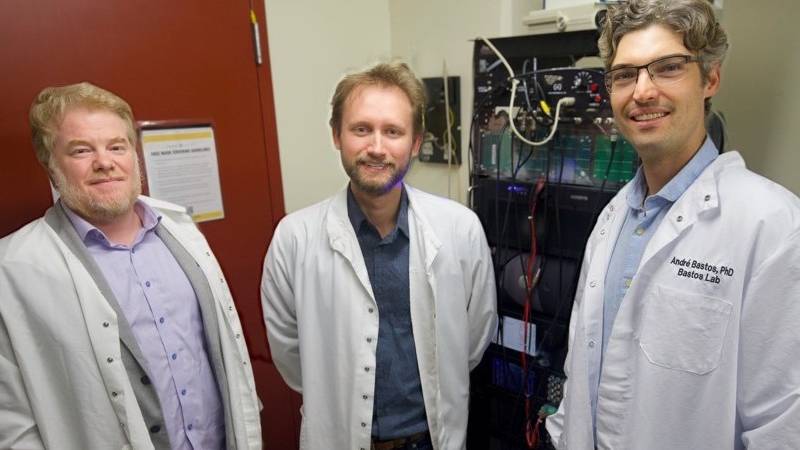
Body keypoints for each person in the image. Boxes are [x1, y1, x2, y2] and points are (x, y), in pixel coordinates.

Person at [546, 0, 800, 449]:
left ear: (711, 79)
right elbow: (581, 373)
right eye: (625, 74)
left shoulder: (773, 227)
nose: (642, 91)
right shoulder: (611, 220)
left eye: (667, 67)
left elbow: (783, 427)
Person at [0, 82, 262, 449]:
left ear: (133, 153)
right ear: (49, 164)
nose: (104, 162)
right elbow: (10, 420)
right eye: (80, 150)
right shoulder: (13, 268)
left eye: (117, 146)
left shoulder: (182, 233)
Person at [260, 62, 497, 450]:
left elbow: (471, 340)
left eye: (393, 131)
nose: (376, 147)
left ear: (415, 142)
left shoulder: (460, 228)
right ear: (337, 135)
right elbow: (290, 352)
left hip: (429, 440)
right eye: (361, 129)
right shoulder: (295, 237)